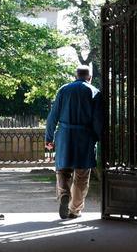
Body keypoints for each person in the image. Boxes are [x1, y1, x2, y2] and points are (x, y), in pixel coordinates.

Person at [45, 64, 103, 219]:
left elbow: (52, 116)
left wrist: (48, 138)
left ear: (76, 76)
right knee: (82, 175)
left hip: (64, 135)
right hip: (85, 137)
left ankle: (64, 193)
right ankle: (74, 209)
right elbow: (97, 121)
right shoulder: (94, 92)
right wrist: (97, 137)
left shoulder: (63, 90)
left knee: (62, 170)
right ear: (89, 77)